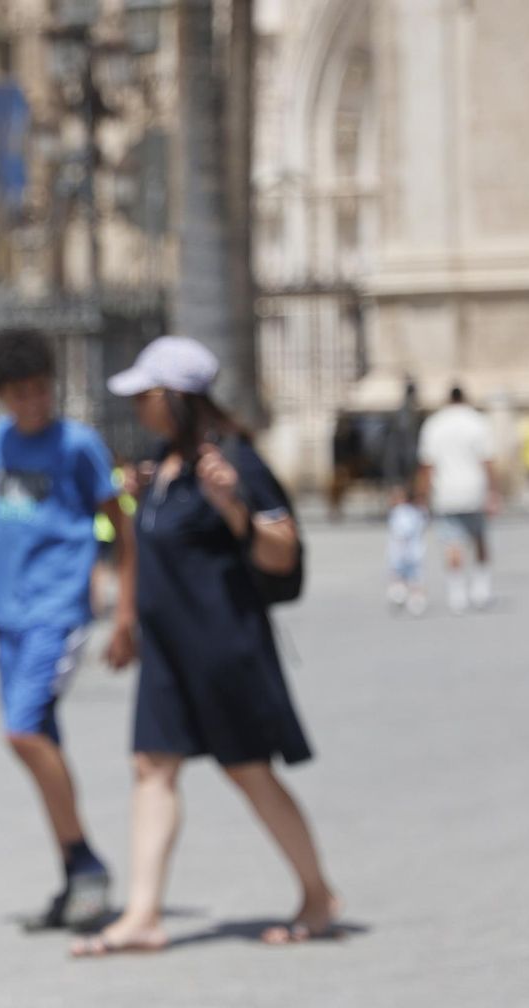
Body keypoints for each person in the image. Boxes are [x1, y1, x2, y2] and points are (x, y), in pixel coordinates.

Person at [72, 335, 338, 957]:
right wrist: (129, 617)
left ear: (175, 397)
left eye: (146, 395)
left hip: (223, 648)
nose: (137, 407)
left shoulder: (233, 461)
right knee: (151, 766)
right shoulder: (162, 464)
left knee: (249, 771)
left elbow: (284, 552)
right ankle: (143, 915)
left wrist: (234, 508)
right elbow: (148, 548)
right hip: (168, 652)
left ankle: (319, 895)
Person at [0, 328, 137, 932]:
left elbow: (118, 526)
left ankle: (87, 861)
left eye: (40, 389)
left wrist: (124, 611)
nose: (32, 402)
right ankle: (77, 877)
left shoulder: (79, 445)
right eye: (18, 393)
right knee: (41, 738)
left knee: (21, 732)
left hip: (58, 610)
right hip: (6, 614)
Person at [417, 386, 498, 614]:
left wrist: (423, 495)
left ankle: (457, 593)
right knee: (479, 538)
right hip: (475, 488)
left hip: (445, 490)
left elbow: (427, 465)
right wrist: (494, 492)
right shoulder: (477, 422)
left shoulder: (434, 424)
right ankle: (481, 589)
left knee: (452, 543)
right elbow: (488, 460)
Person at [385, 483, 428, 616]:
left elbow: (402, 533)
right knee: (415, 578)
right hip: (416, 552)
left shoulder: (401, 513)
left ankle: (406, 598)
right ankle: (414, 600)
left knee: (400, 576)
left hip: (403, 552)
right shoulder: (418, 512)